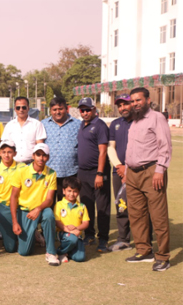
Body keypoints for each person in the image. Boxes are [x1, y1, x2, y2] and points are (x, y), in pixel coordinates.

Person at [124, 87, 172, 272]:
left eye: (138, 100)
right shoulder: (134, 121)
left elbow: (165, 146)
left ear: (148, 100)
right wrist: (127, 170)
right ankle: (144, 251)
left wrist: (160, 170)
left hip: (152, 172)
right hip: (133, 174)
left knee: (158, 216)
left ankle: (163, 256)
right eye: (133, 101)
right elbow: (131, 149)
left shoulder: (156, 118)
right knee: (136, 215)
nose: (135, 103)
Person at [10, 143, 59, 266]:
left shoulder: (52, 173)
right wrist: (15, 222)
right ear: (33, 155)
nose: (41, 158)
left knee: (49, 215)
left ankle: (51, 252)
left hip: (41, 210)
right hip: (25, 212)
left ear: (48, 157)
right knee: (24, 252)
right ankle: (35, 234)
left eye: (44, 155)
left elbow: (49, 200)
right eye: (38, 155)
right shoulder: (21, 171)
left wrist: (38, 209)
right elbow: (13, 197)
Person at [76, 97, 111, 252]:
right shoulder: (82, 125)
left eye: (87, 109)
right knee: (87, 206)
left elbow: (103, 151)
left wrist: (99, 173)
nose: (85, 113)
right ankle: (89, 235)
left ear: (94, 110)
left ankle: (103, 239)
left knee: (102, 208)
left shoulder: (100, 125)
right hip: (83, 172)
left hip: (97, 172)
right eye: (82, 110)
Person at [107, 94, 135, 252]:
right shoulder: (115, 124)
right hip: (118, 171)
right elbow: (111, 148)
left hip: (137, 171)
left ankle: (143, 239)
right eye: (120, 105)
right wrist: (119, 166)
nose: (123, 108)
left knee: (140, 206)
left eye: (126, 104)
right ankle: (123, 239)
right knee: (121, 205)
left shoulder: (140, 122)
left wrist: (128, 169)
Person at [41, 97, 81, 203]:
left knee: (67, 205)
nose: (57, 112)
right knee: (48, 203)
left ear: (66, 108)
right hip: (49, 171)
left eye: (60, 109)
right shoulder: (43, 124)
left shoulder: (77, 124)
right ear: (50, 110)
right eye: (54, 110)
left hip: (70, 171)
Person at [1, 97, 46, 164]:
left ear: (28, 108)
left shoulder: (37, 124)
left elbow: (40, 146)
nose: (21, 110)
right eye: (18, 108)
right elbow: (6, 147)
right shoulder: (9, 125)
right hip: (13, 165)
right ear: (15, 109)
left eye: (24, 107)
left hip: (31, 164)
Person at [54, 176, 89, 263]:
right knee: (72, 239)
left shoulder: (82, 206)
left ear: (78, 192)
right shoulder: (59, 205)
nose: (72, 194)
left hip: (77, 234)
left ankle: (68, 252)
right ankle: (59, 252)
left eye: (75, 191)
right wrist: (68, 230)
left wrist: (76, 229)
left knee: (80, 258)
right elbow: (57, 221)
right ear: (63, 191)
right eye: (69, 191)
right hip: (63, 232)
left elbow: (86, 223)